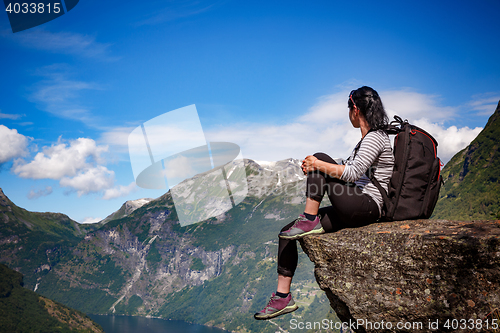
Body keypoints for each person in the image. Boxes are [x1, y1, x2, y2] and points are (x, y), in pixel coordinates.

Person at [254, 86, 395, 320]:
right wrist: (313, 165)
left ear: (355, 109)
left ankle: (309, 218)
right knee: (287, 232)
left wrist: (317, 164)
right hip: (354, 206)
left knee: (319, 157)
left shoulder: (376, 138)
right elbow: (347, 166)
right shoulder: (366, 141)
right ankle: (282, 297)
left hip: (368, 206)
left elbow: (351, 173)